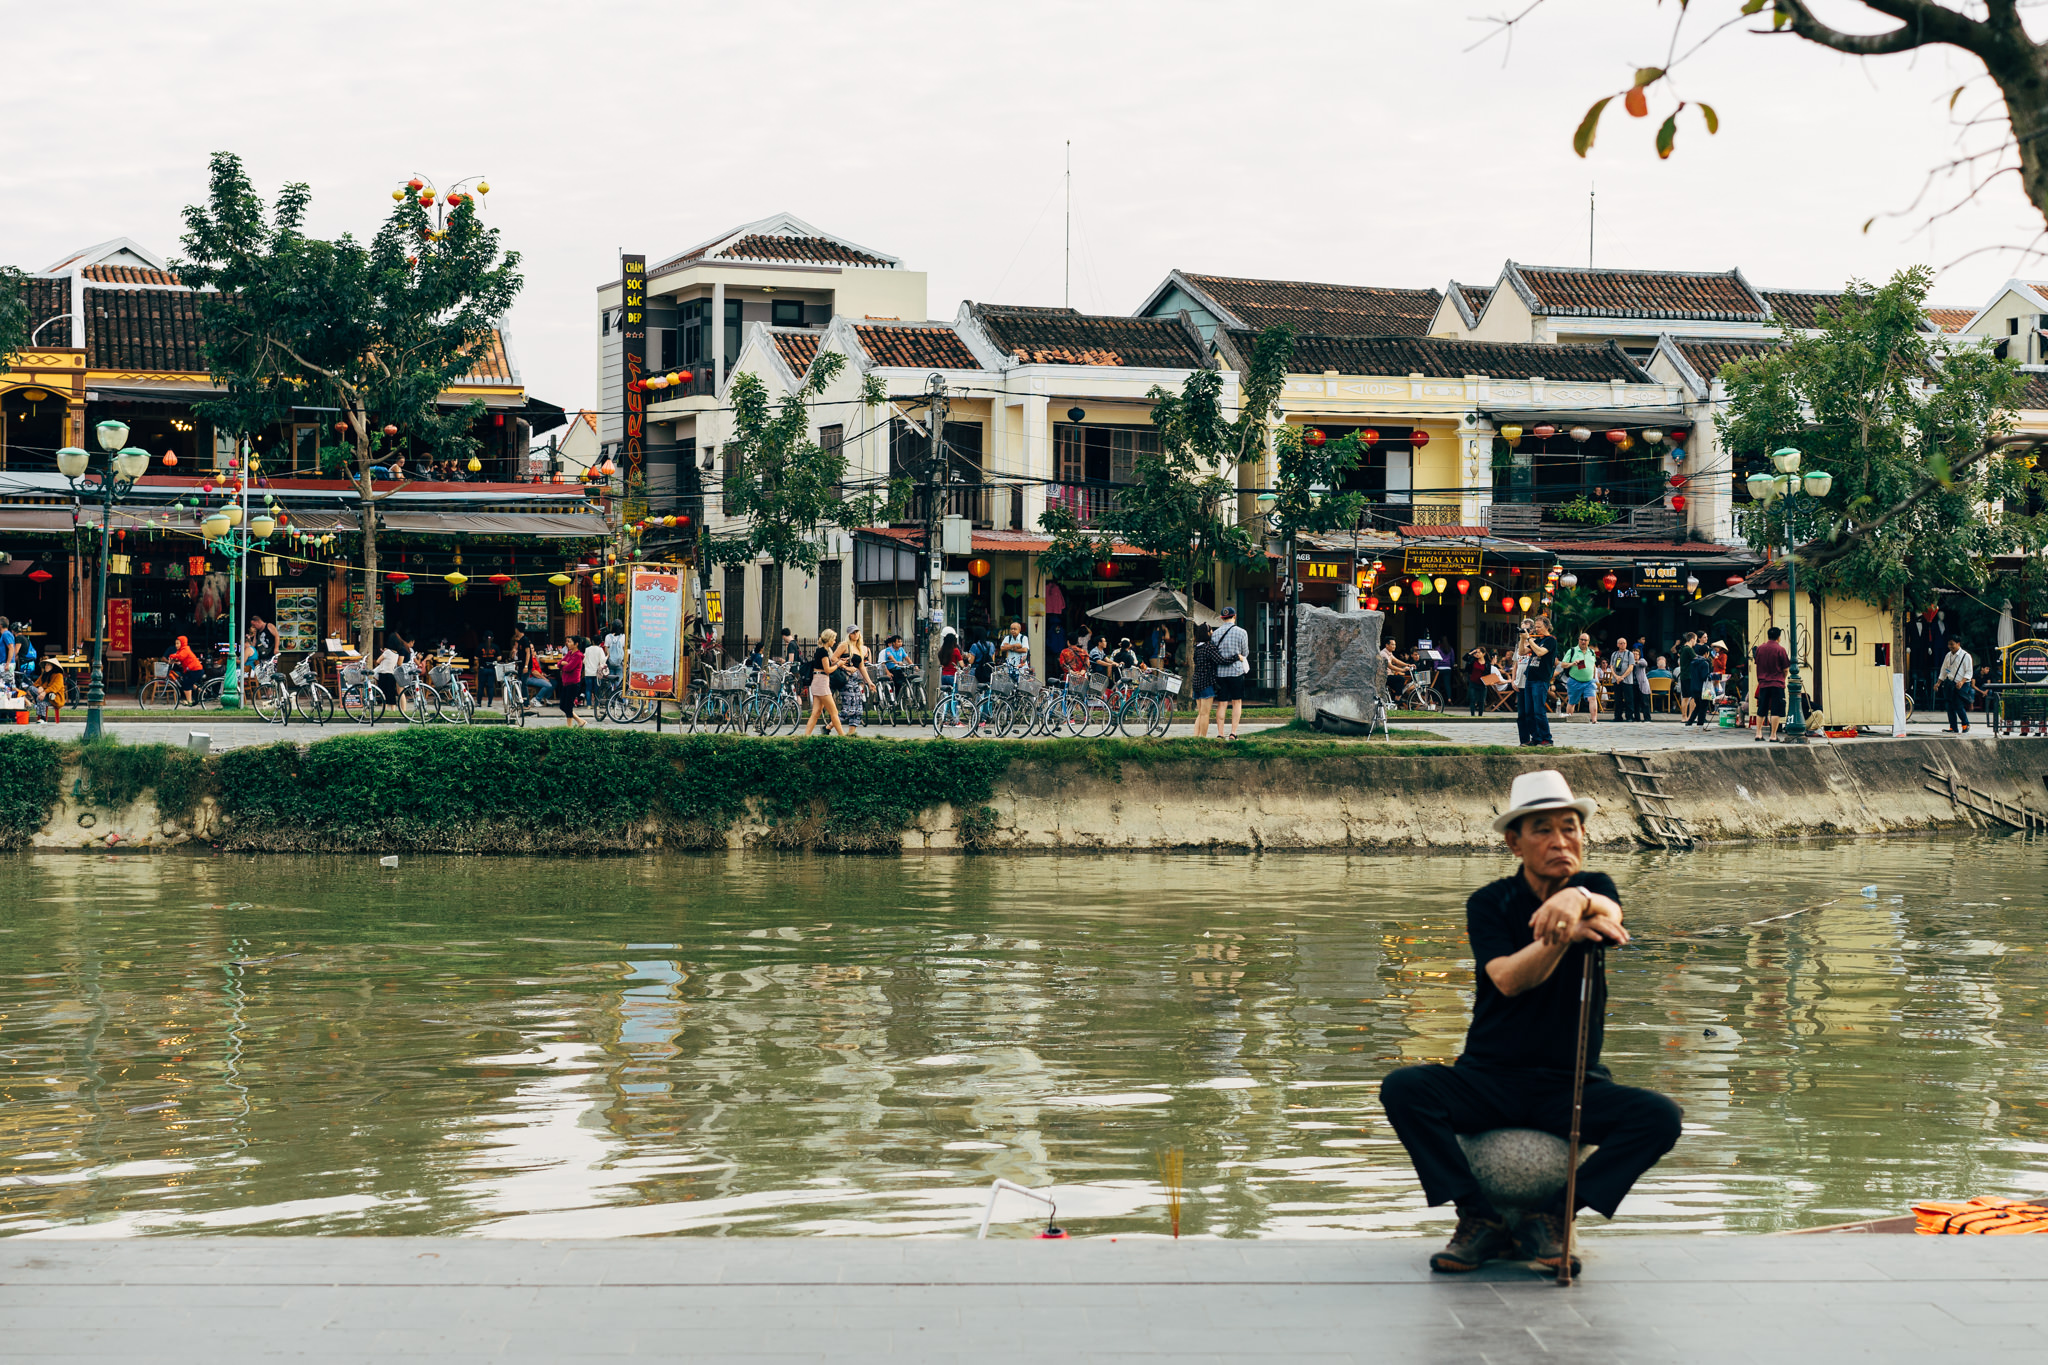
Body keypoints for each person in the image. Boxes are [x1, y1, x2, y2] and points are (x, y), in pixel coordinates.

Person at [1379, 770, 1680, 1275]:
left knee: (1659, 1117)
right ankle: (1477, 1216)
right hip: (1487, 1079)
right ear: (1513, 842)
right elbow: (1507, 980)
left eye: (1570, 827)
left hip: (1571, 1085)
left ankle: (1554, 1216)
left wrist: (1575, 900)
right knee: (1405, 1088)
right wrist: (1562, 935)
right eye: (1543, 830)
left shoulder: (1594, 886)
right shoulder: (1490, 903)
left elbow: (1612, 915)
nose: (1561, 841)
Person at [1211, 606, 1251, 740]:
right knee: (1236, 702)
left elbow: (1213, 653)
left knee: (1222, 703)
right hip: (1236, 672)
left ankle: (1220, 733)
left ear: (1222, 618)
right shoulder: (1242, 632)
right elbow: (1245, 653)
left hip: (1220, 673)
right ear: (1234, 617)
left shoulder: (1215, 633)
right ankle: (1233, 733)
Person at [1517, 617, 1555, 747]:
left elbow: (1540, 652)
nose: (1536, 629)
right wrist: (1523, 638)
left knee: (1539, 710)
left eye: (1539, 627)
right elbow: (1522, 652)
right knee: (1529, 711)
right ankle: (1536, 738)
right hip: (1530, 678)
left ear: (1547, 626)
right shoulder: (1538, 640)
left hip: (1541, 679)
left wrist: (1529, 639)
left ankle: (1547, 739)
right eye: (1536, 627)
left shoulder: (1550, 640)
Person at [803, 628, 849, 736]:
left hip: (818, 682)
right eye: (833, 639)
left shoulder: (821, 651)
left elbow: (825, 668)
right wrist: (839, 665)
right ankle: (842, 736)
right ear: (828, 639)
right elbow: (827, 670)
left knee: (816, 712)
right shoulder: (823, 652)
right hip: (821, 683)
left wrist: (840, 662)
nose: (834, 641)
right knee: (834, 712)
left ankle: (806, 736)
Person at [1752, 626, 1790, 741]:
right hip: (1777, 683)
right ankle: (1773, 735)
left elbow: (1757, 663)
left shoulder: (1760, 649)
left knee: (1762, 708)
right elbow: (1786, 669)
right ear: (1779, 637)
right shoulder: (1780, 649)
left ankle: (1758, 733)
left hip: (1763, 683)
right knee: (1776, 709)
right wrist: (1783, 678)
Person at [1937, 636, 1975, 734]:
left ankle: (1965, 724)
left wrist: (1962, 682)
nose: (1950, 646)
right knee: (1949, 706)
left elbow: (1969, 672)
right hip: (1950, 683)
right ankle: (1953, 727)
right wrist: (1938, 683)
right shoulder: (1948, 655)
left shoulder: (1966, 656)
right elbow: (1944, 670)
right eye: (1949, 644)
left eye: (1952, 644)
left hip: (1962, 684)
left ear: (1958, 644)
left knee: (1958, 704)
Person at [1562, 632, 1601, 724]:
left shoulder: (1592, 652)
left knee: (1592, 698)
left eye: (1585, 640)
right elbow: (1563, 664)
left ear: (1588, 641)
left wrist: (1595, 677)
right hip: (1575, 680)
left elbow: (1593, 665)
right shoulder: (1572, 651)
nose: (1583, 642)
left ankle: (1594, 720)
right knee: (1572, 701)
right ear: (1578, 640)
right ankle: (1569, 719)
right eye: (1581, 639)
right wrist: (1572, 663)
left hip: (1589, 681)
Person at [839, 627, 872, 729]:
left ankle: (851, 735)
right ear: (849, 634)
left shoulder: (859, 648)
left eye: (857, 632)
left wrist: (869, 682)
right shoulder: (845, 645)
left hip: (855, 679)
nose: (855, 634)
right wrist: (846, 667)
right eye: (853, 633)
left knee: (858, 710)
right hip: (845, 678)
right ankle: (829, 726)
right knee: (849, 709)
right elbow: (833, 659)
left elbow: (861, 667)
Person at [1191, 623, 1219, 739]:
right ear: (1207, 633)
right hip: (1207, 682)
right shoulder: (1209, 647)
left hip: (1196, 682)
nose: (1212, 632)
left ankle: (1195, 737)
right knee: (1205, 714)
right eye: (1211, 630)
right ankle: (1203, 738)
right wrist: (1236, 658)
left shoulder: (1197, 648)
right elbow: (1219, 659)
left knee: (1200, 713)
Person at [519, 632, 554, 707]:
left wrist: (542, 674)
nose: (532, 650)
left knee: (554, 682)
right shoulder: (529, 658)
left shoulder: (534, 657)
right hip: (530, 677)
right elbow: (534, 672)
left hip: (537, 676)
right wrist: (544, 678)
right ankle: (536, 699)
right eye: (530, 648)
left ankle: (545, 698)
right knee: (548, 685)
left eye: (533, 648)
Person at [1683, 643, 1715, 727]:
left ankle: (1690, 722)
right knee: (1704, 706)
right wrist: (1713, 676)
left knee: (1698, 706)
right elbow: (1705, 677)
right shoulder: (1705, 663)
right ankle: (1700, 723)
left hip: (1694, 687)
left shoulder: (1693, 662)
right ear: (1706, 653)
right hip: (1703, 689)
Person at [1607, 638, 1638, 723]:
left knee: (1629, 699)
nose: (1622, 645)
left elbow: (1631, 667)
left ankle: (1629, 716)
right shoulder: (1614, 654)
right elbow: (1611, 666)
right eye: (1620, 643)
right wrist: (1617, 677)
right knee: (1617, 699)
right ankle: (1618, 716)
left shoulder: (1629, 654)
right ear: (1617, 645)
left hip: (1627, 680)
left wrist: (1622, 677)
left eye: (1624, 643)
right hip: (1616, 679)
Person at [557, 634, 585, 727]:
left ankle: (569, 727)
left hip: (573, 683)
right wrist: (563, 663)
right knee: (562, 705)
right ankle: (579, 721)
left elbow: (569, 668)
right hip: (565, 683)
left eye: (569, 642)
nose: (567, 643)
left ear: (576, 644)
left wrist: (563, 665)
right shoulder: (569, 653)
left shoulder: (578, 656)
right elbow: (558, 664)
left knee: (568, 706)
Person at [170, 635, 206, 705]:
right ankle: (200, 691)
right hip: (191, 670)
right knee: (186, 680)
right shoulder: (180, 651)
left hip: (195, 670)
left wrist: (171, 656)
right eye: (175, 643)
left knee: (187, 683)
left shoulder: (185, 649)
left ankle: (189, 701)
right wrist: (173, 660)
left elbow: (181, 657)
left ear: (182, 643)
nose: (176, 645)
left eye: (178, 643)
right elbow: (178, 658)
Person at [32, 658, 66, 723]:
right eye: (45, 665)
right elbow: (35, 684)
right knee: (31, 688)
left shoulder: (58, 675)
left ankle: (43, 718)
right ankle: (42, 716)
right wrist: (39, 687)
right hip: (42, 696)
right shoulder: (44, 675)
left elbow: (55, 687)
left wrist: (44, 692)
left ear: (53, 666)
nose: (46, 667)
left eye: (48, 665)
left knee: (39, 698)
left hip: (54, 698)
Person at [583, 635, 610, 713]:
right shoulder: (600, 650)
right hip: (597, 673)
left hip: (588, 672)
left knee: (588, 689)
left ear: (592, 641)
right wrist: (607, 656)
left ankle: (588, 704)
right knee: (597, 689)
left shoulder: (587, 649)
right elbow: (602, 661)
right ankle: (597, 705)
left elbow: (584, 660)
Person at [1463, 646, 1490, 717]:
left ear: (1483, 654)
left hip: (1482, 684)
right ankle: (1472, 715)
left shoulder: (1487, 663)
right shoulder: (1473, 660)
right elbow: (1464, 658)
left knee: (1481, 701)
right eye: (1476, 652)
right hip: (1473, 682)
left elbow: (1488, 674)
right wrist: (1472, 652)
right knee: (1472, 699)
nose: (1477, 654)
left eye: (1479, 652)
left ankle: (1480, 715)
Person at [476, 633, 499, 705]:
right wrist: (494, 659)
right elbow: (499, 657)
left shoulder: (480, 647)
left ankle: (479, 702)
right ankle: (490, 703)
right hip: (491, 669)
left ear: (484, 638)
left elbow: (476, 658)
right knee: (490, 686)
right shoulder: (495, 647)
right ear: (492, 638)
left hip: (482, 668)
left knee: (481, 686)